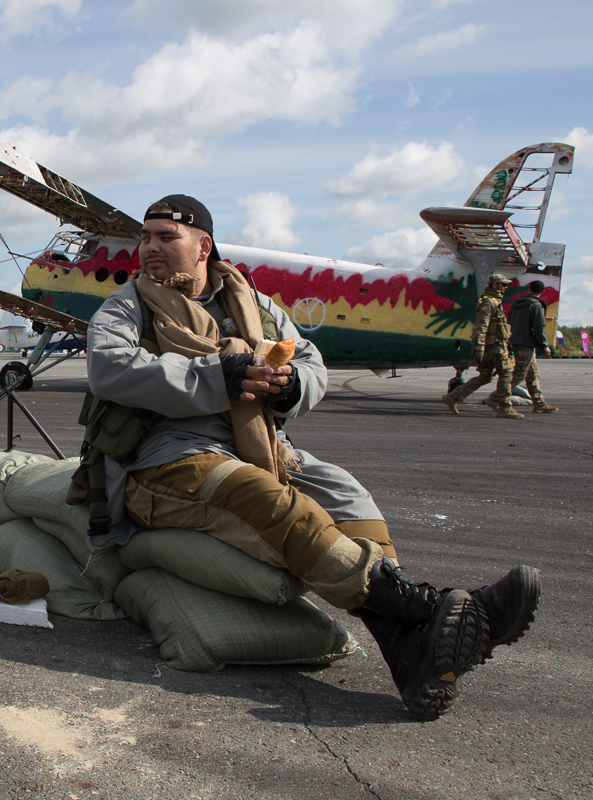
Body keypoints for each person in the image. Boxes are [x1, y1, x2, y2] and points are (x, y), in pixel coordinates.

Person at [81, 194, 539, 721]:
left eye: (166, 237)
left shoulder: (249, 300)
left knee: (345, 493)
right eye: (146, 237)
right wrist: (222, 376)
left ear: (203, 245)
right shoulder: (126, 305)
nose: (150, 248)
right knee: (267, 499)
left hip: (262, 444)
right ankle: (426, 610)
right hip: (167, 457)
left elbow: (307, 358)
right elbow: (112, 369)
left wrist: (289, 384)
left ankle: (411, 650)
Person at [441, 274, 520, 418]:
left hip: (495, 345)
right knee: (506, 374)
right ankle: (505, 407)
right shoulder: (489, 302)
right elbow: (481, 326)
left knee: (485, 377)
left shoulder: (494, 301)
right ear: (495, 285)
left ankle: (453, 397)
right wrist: (479, 347)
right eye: (503, 284)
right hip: (494, 346)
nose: (505, 287)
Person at [508, 280, 558, 413]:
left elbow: (509, 321)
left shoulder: (516, 303)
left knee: (533, 374)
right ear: (542, 292)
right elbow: (539, 326)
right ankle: (495, 397)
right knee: (519, 375)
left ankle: (539, 403)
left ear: (529, 288)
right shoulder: (536, 305)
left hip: (515, 341)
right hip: (527, 344)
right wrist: (544, 345)